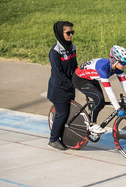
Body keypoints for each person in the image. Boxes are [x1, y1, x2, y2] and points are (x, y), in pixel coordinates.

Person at [72, 45, 126, 134]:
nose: (125, 65)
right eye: (123, 63)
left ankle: (89, 121)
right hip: (80, 79)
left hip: (91, 79)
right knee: (99, 99)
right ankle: (92, 125)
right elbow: (109, 91)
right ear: (115, 61)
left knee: (100, 103)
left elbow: (124, 84)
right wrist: (117, 108)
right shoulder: (103, 69)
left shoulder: (117, 67)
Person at [47, 21, 78, 150]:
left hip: (69, 87)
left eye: (72, 32)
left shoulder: (72, 47)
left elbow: (75, 66)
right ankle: (53, 139)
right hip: (58, 88)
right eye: (68, 33)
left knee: (69, 114)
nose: (70, 35)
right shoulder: (55, 52)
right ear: (61, 33)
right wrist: (71, 82)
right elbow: (58, 72)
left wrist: (80, 77)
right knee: (62, 114)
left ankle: (63, 137)